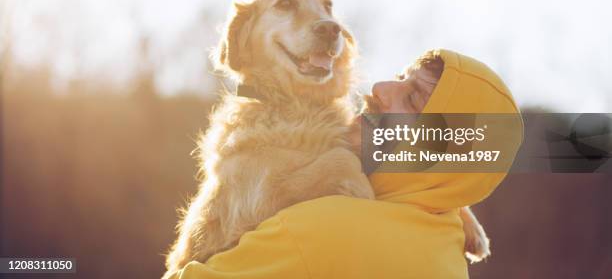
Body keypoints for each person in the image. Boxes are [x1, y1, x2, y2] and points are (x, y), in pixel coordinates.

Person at [165, 49, 522, 279]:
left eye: (412, 99)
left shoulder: (326, 230)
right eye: (399, 78)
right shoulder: (447, 248)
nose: (379, 88)